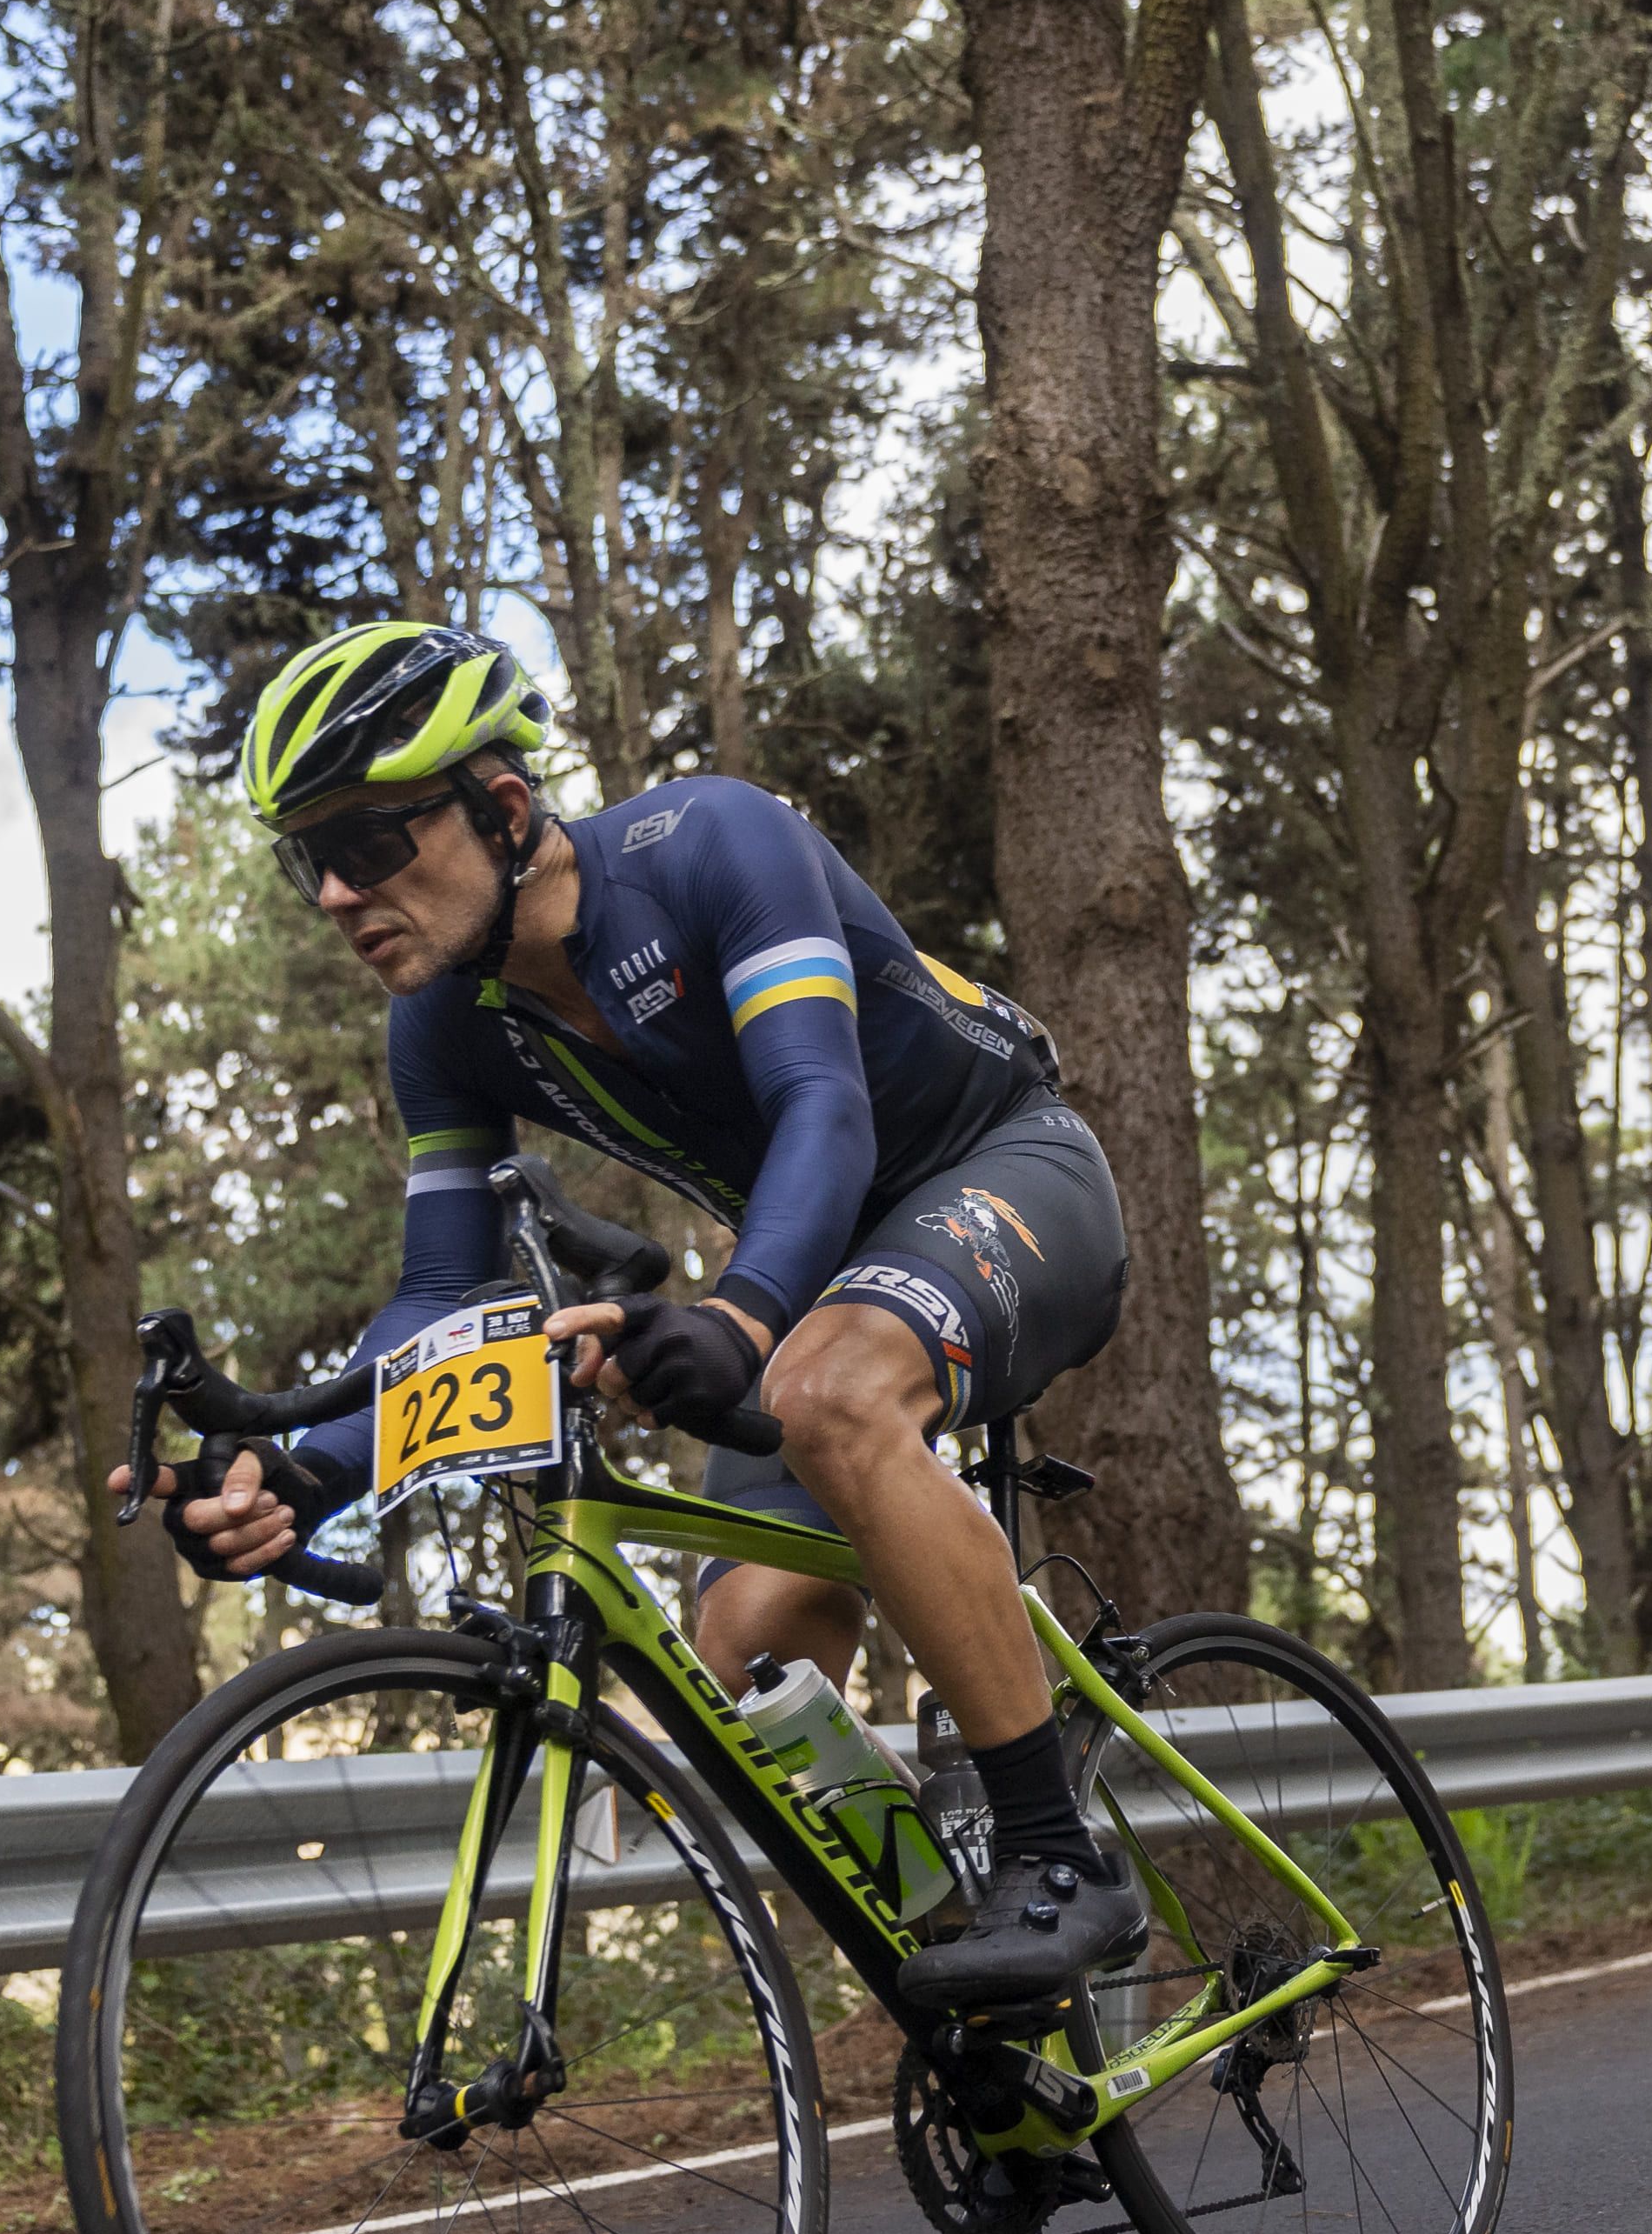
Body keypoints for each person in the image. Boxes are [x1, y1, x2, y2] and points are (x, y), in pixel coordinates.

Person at [128, 619, 1140, 2011]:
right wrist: (308, 1469)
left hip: (1003, 1172)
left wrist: (735, 1316)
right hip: (820, 1272)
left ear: (501, 804)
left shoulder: (712, 845)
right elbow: (443, 1293)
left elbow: (820, 1108)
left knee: (832, 1389)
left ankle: (1056, 1853)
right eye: (311, 861)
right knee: (743, 1668)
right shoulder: (446, 1024)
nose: (335, 896)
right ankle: (1003, 2009)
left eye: (365, 844)